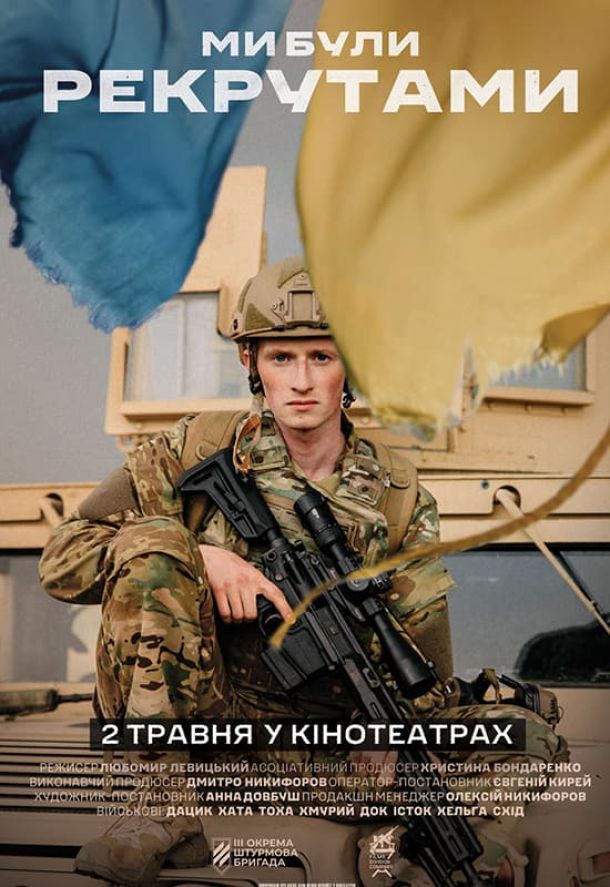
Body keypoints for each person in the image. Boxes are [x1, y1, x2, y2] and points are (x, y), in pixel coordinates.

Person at [40, 257, 564, 887]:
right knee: (157, 547)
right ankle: (160, 809)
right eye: (281, 358)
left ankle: (428, 857)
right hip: (203, 730)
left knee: (522, 733)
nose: (301, 381)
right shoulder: (191, 451)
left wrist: (388, 732)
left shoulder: (397, 498)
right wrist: (202, 558)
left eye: (322, 357)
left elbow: (424, 664)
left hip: (320, 743)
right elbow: (62, 560)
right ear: (251, 362)